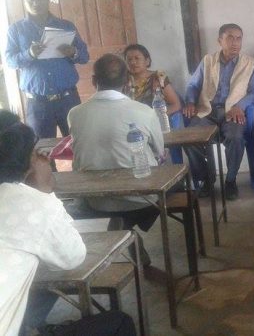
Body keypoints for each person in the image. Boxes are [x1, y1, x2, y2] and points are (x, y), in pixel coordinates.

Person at [0, 111, 136, 336]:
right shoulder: (26, 204)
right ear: (25, 162)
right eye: (34, 152)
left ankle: (32, 326)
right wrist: (44, 192)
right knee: (120, 322)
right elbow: (73, 256)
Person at [68, 54, 164, 266]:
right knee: (175, 184)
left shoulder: (75, 114)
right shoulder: (145, 111)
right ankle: (126, 230)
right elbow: (160, 151)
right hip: (142, 200)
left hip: (95, 200)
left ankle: (123, 230)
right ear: (128, 81)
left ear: (94, 81)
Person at [183, 23, 254, 199]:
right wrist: (190, 102)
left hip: (232, 112)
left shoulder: (250, 63)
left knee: (236, 138)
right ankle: (206, 178)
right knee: (190, 139)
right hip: (207, 111)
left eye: (239, 38)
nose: (235, 43)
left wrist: (240, 106)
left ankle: (230, 180)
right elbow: (193, 85)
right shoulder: (208, 61)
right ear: (220, 40)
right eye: (230, 38)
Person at [5, 0, 89, 139]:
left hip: (68, 99)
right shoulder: (16, 30)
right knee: (41, 148)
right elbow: (10, 61)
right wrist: (29, 54)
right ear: (23, 1)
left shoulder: (66, 26)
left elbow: (84, 56)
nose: (36, 3)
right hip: (38, 104)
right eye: (30, 0)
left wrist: (73, 52)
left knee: (78, 143)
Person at [124, 43, 184, 162]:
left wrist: (157, 117)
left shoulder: (158, 78)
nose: (133, 62)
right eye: (129, 59)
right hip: (132, 125)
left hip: (156, 122)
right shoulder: (123, 80)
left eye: (137, 58)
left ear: (147, 61)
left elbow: (176, 104)